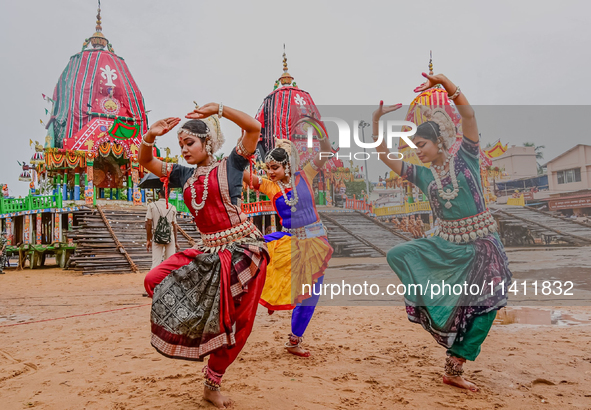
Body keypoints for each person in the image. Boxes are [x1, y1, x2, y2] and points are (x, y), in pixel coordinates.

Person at [372, 72, 511, 392]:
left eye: (421, 145)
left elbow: (468, 115)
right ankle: (432, 308)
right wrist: (376, 121)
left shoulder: (466, 157)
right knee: (399, 253)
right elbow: (384, 156)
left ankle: (454, 366)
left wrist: (447, 84)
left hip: (484, 246)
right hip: (447, 244)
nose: (417, 151)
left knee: (488, 305)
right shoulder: (423, 176)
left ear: (439, 142)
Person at [138, 103, 269, 409]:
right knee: (153, 278)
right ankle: (198, 333)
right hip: (207, 249)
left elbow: (253, 129)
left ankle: (212, 382)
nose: (183, 149)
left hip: (243, 250)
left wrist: (221, 109)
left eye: (189, 143)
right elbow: (147, 161)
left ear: (207, 142)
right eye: (180, 145)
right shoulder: (183, 174)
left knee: (238, 323)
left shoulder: (232, 164)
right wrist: (150, 135)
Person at [244, 126, 333, 357]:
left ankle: (294, 340)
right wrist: (238, 154)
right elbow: (242, 174)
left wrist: (319, 132)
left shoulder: (305, 175)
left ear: (287, 166)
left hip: (315, 243)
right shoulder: (270, 186)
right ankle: (255, 305)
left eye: (275, 168)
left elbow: (324, 151)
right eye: (268, 168)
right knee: (255, 260)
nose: (271, 172)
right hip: (288, 241)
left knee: (310, 294)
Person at [145, 189, 180, 269]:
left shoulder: (152, 206)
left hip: (157, 235)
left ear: (159, 194)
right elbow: (174, 225)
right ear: (168, 195)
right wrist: (176, 241)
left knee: (156, 262)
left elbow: (148, 223)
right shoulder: (172, 207)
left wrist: (148, 239)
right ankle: (168, 280)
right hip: (169, 236)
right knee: (170, 262)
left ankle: (153, 280)